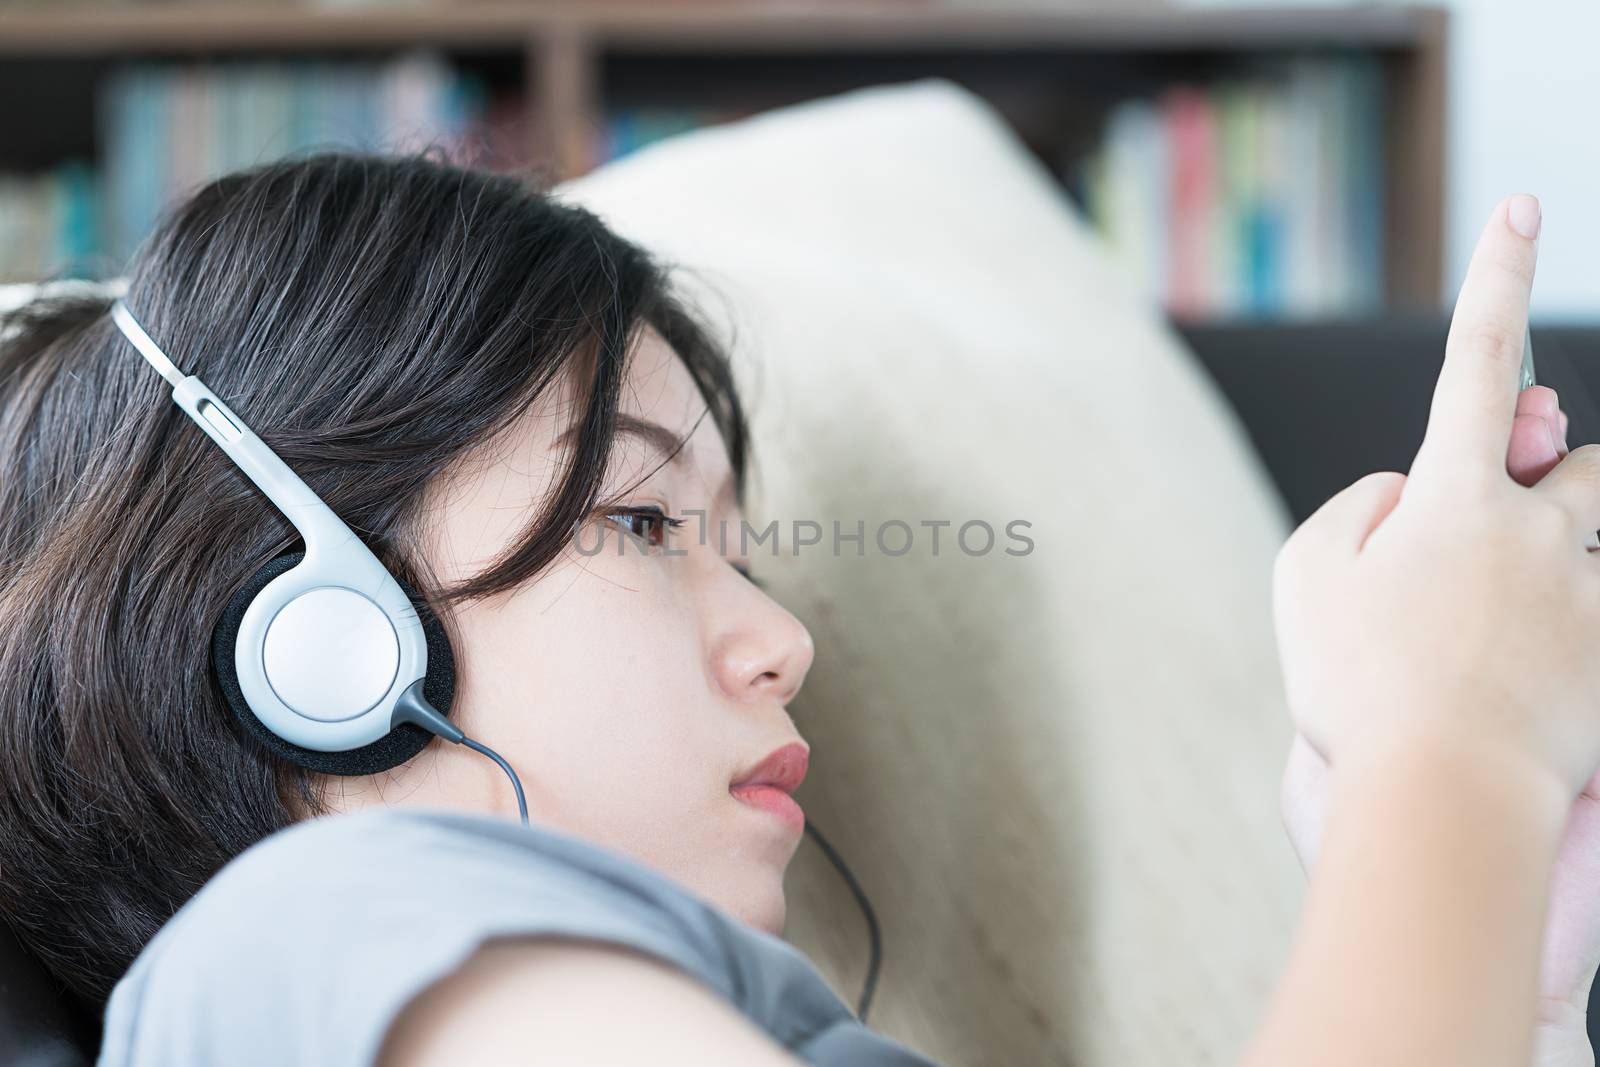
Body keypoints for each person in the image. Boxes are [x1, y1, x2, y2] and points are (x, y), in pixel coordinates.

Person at [0, 152, 1592, 1066]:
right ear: (316, 647)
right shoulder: (323, 924)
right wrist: (1445, 756)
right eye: (640, 520)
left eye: (741, 554)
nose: (784, 642)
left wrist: (1499, 956)